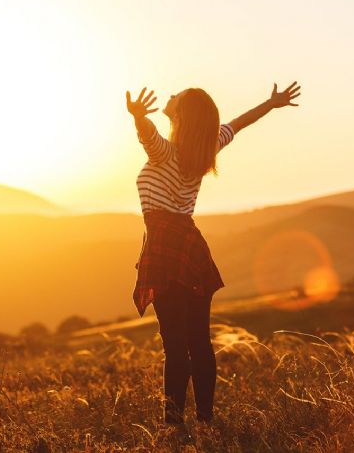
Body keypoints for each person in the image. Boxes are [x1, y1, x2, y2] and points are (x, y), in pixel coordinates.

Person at [126, 81, 301, 426]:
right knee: (199, 343)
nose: (171, 95)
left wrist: (137, 119)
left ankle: (173, 427)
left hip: (165, 249)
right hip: (191, 249)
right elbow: (239, 123)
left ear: (181, 113)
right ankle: (205, 421)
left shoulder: (166, 153)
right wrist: (270, 103)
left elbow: (149, 137)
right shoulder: (206, 148)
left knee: (176, 348)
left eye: (177, 96)